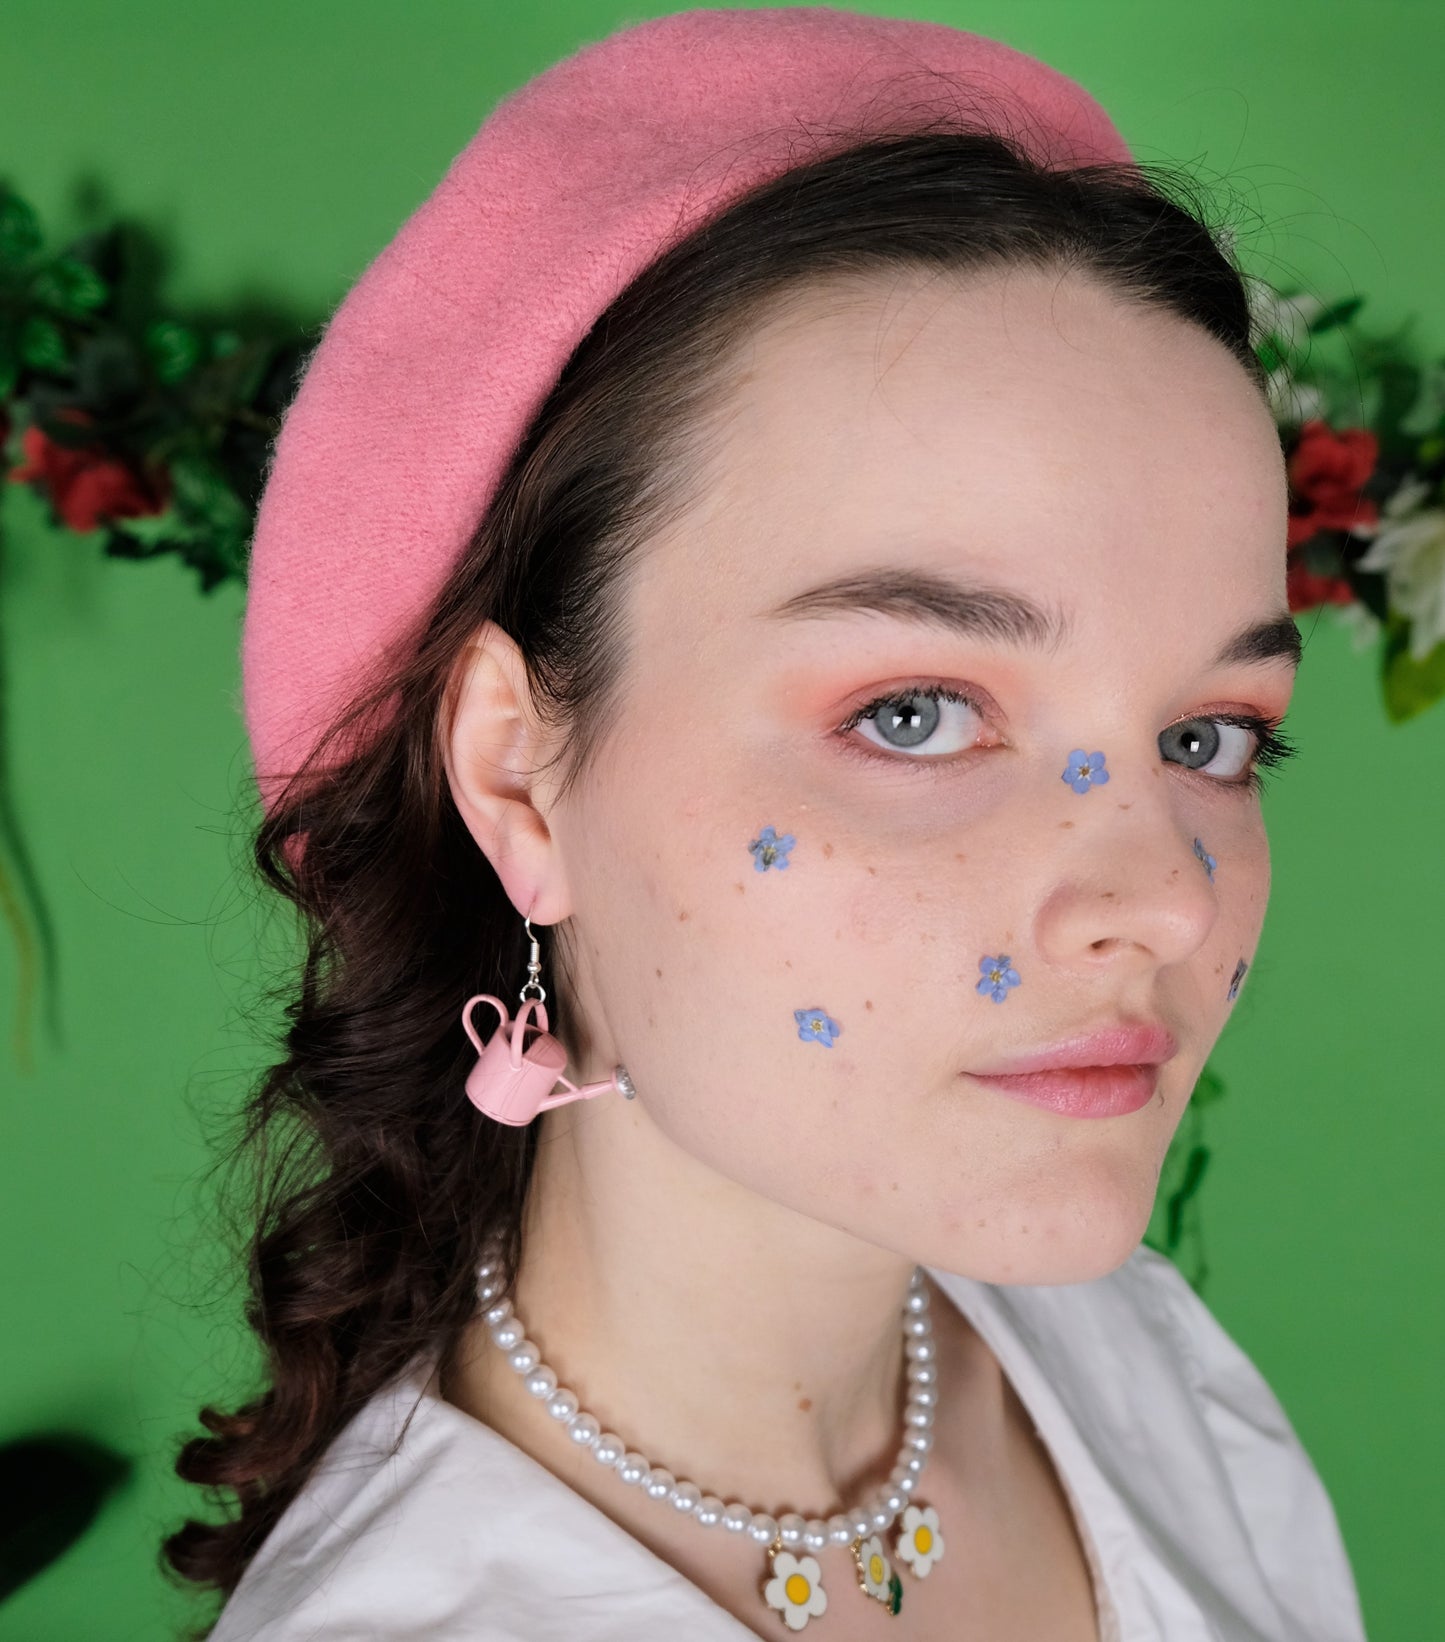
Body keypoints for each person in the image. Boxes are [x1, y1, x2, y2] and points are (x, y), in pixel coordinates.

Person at [165, 9, 1368, 1640]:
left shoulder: (1141, 1371)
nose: (1157, 896)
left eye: (1208, 735)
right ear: (518, 775)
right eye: (913, 714)